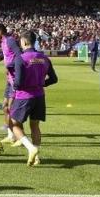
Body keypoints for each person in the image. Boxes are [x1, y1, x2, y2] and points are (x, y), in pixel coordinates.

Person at [10, 29, 58, 167]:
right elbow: (54, 79)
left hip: (24, 96)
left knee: (14, 124)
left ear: (24, 42)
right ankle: (37, 158)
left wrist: (14, 84)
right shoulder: (44, 58)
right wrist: (41, 83)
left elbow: (18, 83)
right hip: (39, 96)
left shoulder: (20, 59)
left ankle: (31, 148)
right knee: (35, 126)